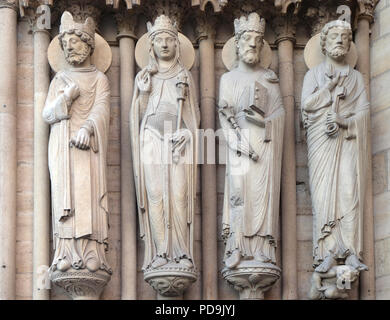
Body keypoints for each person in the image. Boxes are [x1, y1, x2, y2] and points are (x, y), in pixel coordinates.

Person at [43, 11, 111, 274]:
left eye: (75, 40)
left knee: (89, 198)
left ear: (89, 44)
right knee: (65, 199)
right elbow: (47, 114)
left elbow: (103, 108)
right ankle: (65, 252)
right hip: (63, 150)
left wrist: (88, 127)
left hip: (89, 149)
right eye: (65, 42)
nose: (69, 46)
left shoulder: (99, 79)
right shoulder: (60, 80)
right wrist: (66, 98)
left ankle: (92, 252)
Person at [130, 15, 200, 271]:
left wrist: (188, 134)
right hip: (151, 138)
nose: (165, 44)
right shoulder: (145, 77)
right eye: (159, 40)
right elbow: (136, 118)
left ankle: (181, 251)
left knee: (179, 194)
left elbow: (193, 117)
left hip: (177, 142)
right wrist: (143, 92)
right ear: (151, 46)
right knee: (156, 195)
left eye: (170, 39)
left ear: (177, 44)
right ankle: (160, 251)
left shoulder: (184, 76)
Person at [301, 20, 369, 273]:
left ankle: (350, 251)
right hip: (322, 144)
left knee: (349, 192)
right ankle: (327, 251)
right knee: (323, 197)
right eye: (334, 37)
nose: (339, 40)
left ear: (351, 43)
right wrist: (328, 91)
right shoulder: (313, 75)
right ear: (323, 43)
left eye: (344, 37)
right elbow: (306, 106)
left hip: (348, 142)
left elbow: (364, 113)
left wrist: (344, 121)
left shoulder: (356, 78)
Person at [218, 12, 285, 269]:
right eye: (247, 39)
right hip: (240, 148)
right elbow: (224, 116)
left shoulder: (270, 79)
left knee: (262, 197)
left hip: (265, 146)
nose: (252, 44)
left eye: (257, 40)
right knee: (239, 195)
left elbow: (280, 113)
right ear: (237, 43)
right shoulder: (228, 79)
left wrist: (267, 122)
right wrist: (236, 142)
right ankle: (237, 247)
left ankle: (262, 248)